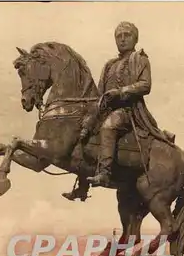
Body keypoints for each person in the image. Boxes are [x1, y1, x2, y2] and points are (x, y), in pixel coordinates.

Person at [62, 21, 174, 200]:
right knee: (83, 129)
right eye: (118, 36)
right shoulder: (109, 64)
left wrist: (120, 91)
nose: (122, 39)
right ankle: (82, 185)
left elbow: (145, 85)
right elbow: (99, 92)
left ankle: (105, 173)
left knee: (108, 126)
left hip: (128, 110)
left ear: (135, 38)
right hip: (106, 109)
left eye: (126, 35)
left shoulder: (140, 59)